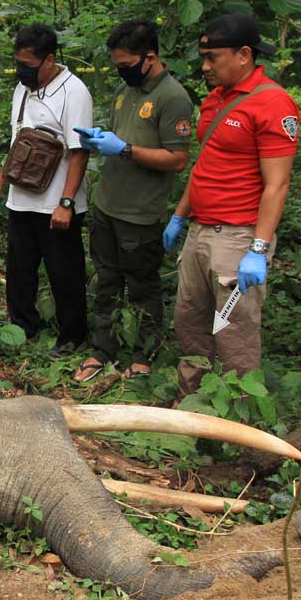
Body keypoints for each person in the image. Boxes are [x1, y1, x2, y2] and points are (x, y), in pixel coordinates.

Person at [163, 13, 299, 398]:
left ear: (244, 55)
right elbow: (205, 163)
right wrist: (179, 215)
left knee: (233, 333)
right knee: (190, 324)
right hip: (200, 231)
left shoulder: (273, 102)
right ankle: (191, 411)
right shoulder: (216, 98)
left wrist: (258, 249)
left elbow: (277, 184)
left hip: (238, 238)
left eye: (213, 58)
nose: (205, 67)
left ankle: (237, 428)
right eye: (203, 58)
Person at [72, 19, 194, 382]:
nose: (121, 72)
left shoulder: (173, 98)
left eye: (125, 66)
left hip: (140, 214)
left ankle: (143, 354)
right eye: (117, 66)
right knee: (106, 281)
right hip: (107, 204)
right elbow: (122, 137)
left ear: (150, 57)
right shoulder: (126, 91)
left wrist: (124, 149)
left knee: (142, 288)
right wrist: (101, 140)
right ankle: (102, 349)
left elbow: (177, 158)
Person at [0, 24, 93, 357]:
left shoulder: (74, 92)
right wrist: (2, 180)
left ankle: (72, 336)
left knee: (64, 274)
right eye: (18, 63)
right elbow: (20, 139)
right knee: (19, 272)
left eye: (28, 64)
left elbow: (79, 151)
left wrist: (66, 202)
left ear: (49, 60)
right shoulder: (22, 89)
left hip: (56, 203)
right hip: (21, 199)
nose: (22, 70)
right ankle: (22, 329)